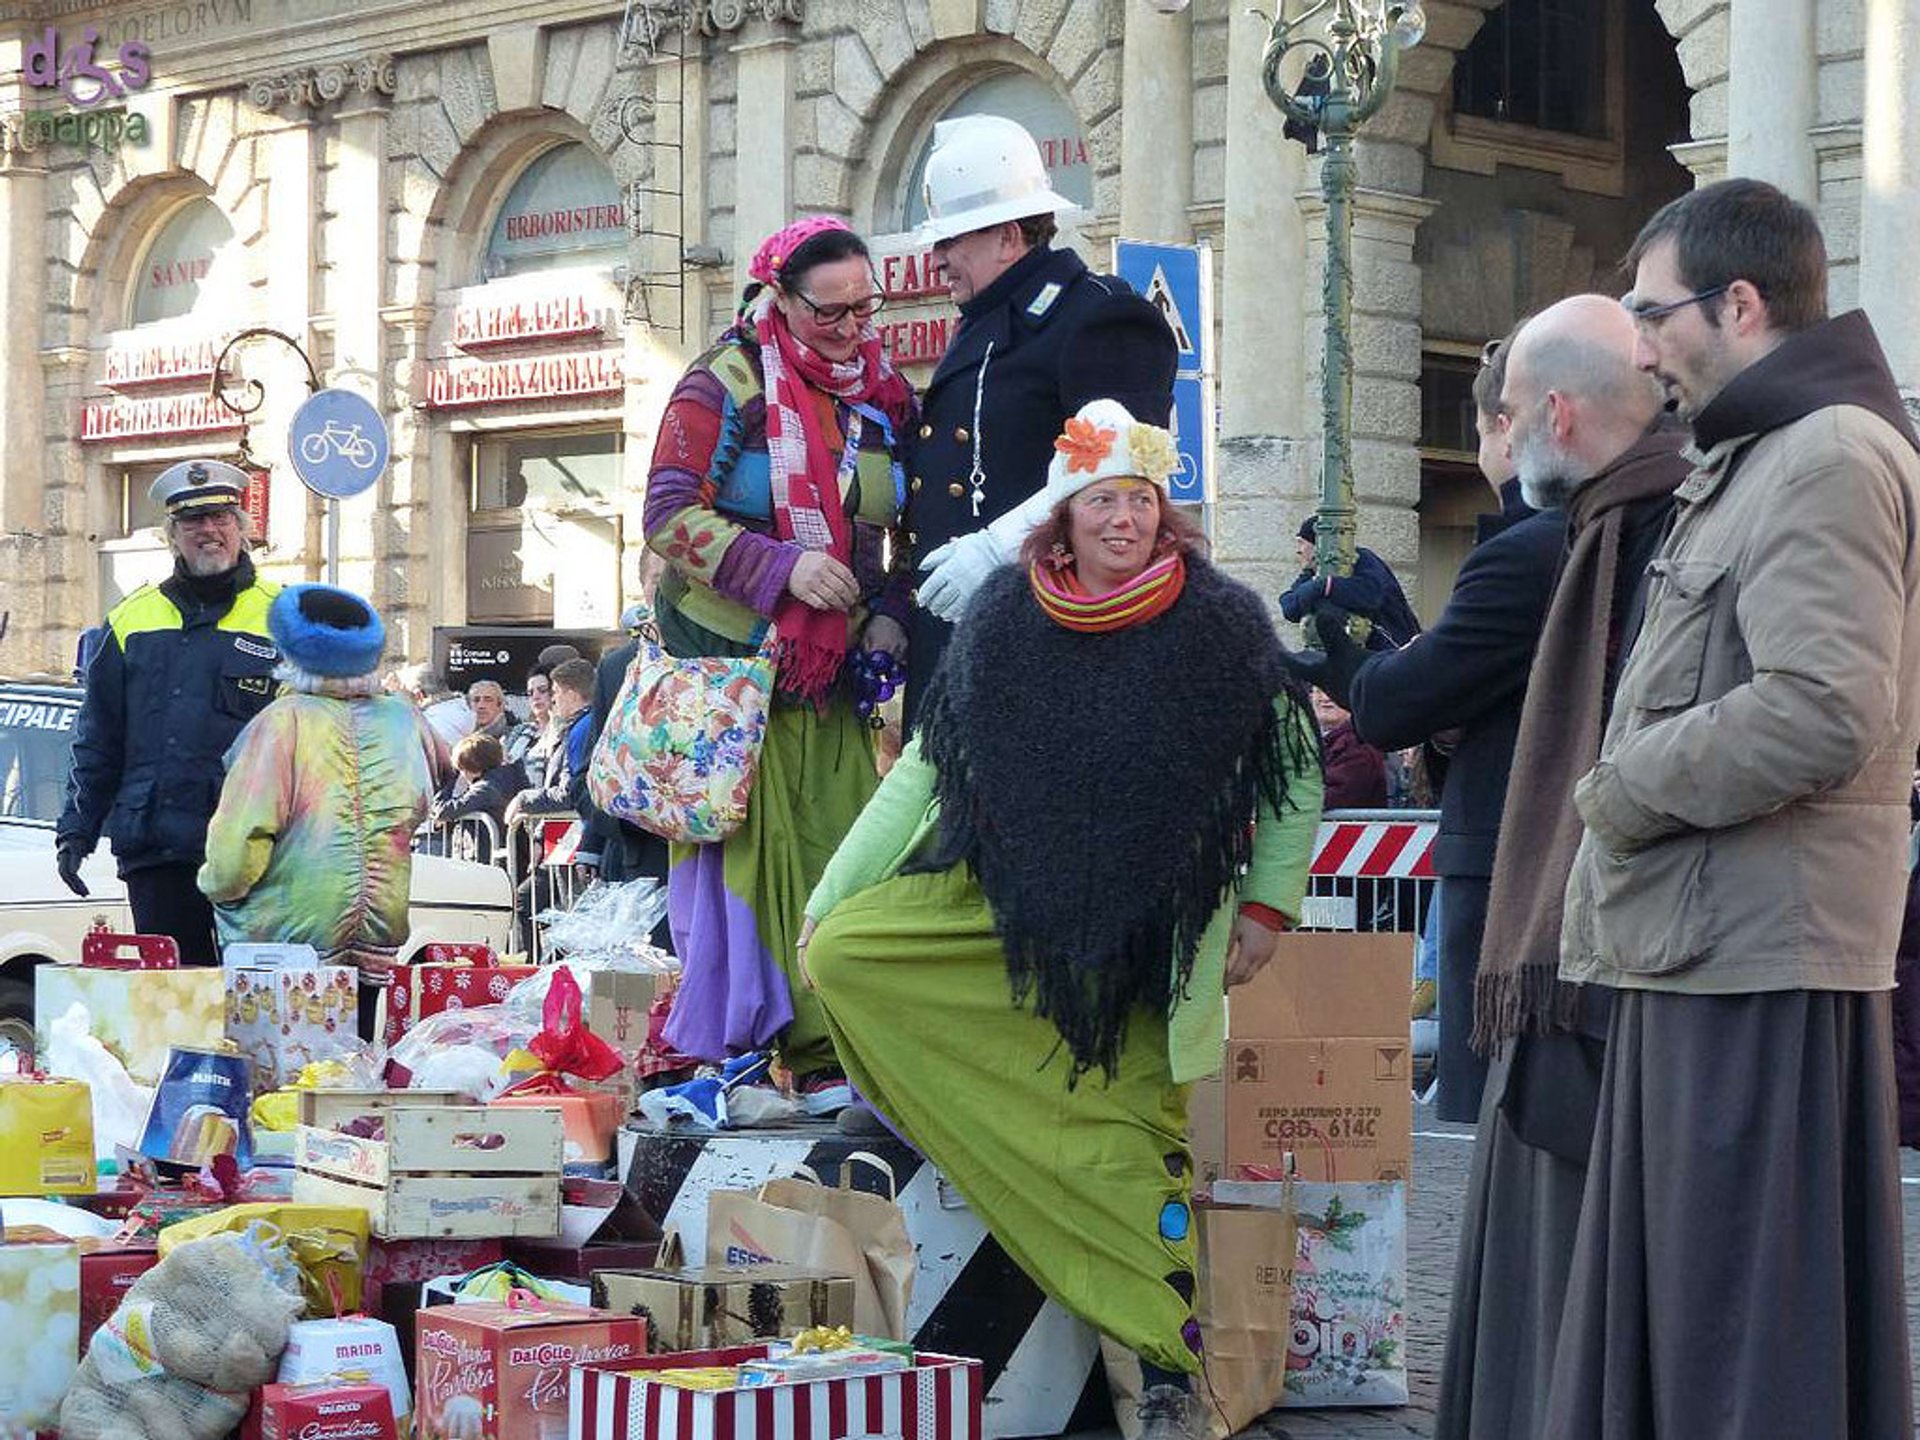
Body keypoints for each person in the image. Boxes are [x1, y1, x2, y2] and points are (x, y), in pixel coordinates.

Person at [799, 400, 1321, 1440]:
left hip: (1151, 943)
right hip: (1009, 909)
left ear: (1162, 516)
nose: (1123, 520)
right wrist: (826, 905)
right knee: (853, 954)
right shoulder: (1003, 619)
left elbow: (1291, 770)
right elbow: (923, 778)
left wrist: (1269, 904)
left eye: (1140, 500)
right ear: (1063, 518)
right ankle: (1006, 1170)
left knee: (1129, 1150)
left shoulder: (1220, 622)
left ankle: (1163, 1384)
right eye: (1101, 502)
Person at [1544, 179, 1919, 1440]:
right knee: (1706, 1332)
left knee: (1739, 1344)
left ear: (1739, 302)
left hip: (1757, 960)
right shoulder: (1764, 452)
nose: (1639, 344)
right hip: (1710, 948)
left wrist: (1619, 790)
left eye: (1653, 313)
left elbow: (1823, 705)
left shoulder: (1826, 455)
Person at [1433, 294, 1686, 1440]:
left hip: (1577, 923)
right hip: (1557, 921)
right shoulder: (1594, 529)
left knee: (1561, 1196)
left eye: (1517, 411)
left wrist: (1605, 796)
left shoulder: (1595, 534)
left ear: (1555, 414)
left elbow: (1805, 711)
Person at [641, 215, 916, 1107]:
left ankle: (834, 1050)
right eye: (830, 311)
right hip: (730, 681)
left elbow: (892, 533)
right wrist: (783, 567)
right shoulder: (719, 381)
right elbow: (668, 517)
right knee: (745, 866)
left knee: (838, 849)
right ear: (778, 297)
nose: (851, 329)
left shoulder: (883, 392)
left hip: (828, 678)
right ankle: (743, 1051)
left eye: (865, 309)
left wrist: (886, 615)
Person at [1281, 331, 1561, 1124]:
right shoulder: (1600, 531)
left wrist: (1356, 669)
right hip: (1543, 855)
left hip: (1511, 861)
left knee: (1500, 1137)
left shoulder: (1527, 550)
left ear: (1507, 427)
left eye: (1480, 429)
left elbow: (1410, 696)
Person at [902, 114, 1177, 728]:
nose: (938, 258)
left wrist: (999, 551)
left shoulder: (1099, 319)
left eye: (953, 241)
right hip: (967, 642)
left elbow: (1126, 475)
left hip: (1050, 643)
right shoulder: (987, 322)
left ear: (1008, 236)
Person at [54, 459, 282, 965]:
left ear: (241, 529)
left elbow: (315, 744)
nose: (209, 532)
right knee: (175, 1008)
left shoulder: (284, 617)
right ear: (172, 535)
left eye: (221, 519)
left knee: (254, 1012)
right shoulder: (130, 620)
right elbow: (98, 738)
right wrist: (77, 828)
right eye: (193, 522)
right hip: (157, 850)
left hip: (258, 857)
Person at [197, 584, 443, 979]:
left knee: (286, 1040)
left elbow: (240, 845)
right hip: (379, 923)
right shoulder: (403, 718)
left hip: (288, 935)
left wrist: (216, 887)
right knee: (358, 1041)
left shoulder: (283, 722)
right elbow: (431, 786)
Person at [1279, 518, 1422, 651]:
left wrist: (1325, 586)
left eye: (1302, 543)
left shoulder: (1362, 558)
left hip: (1389, 649)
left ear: (1317, 544)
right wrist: (1319, 587)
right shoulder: (1311, 572)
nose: (1298, 550)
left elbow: (1370, 594)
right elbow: (1290, 608)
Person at [506, 658, 596, 823]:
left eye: (555, 692)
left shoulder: (581, 729)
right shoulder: (585, 724)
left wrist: (524, 798)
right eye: (530, 692)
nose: (553, 699)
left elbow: (569, 794)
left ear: (571, 695)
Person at [430, 734, 528, 838]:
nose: (462, 774)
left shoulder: (485, 788)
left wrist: (451, 778)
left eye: (461, 769)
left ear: (472, 766)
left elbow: (444, 811)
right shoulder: (507, 777)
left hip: (489, 850)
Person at [1313, 686, 1387, 809]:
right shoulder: (1316, 741)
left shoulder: (1358, 745)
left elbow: (1338, 797)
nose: (1325, 698)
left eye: (1333, 692)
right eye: (1318, 691)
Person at [505, 668, 552, 768]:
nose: (535, 697)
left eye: (542, 690)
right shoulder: (519, 731)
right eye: (530, 693)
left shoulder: (563, 733)